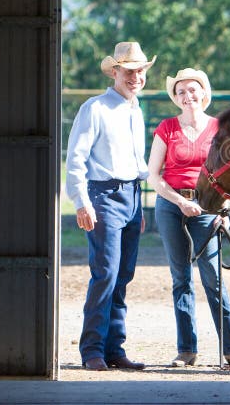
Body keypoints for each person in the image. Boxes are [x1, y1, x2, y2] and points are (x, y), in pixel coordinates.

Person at [147, 67, 230, 368]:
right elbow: (154, 176)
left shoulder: (219, 129)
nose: (187, 96)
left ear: (204, 94)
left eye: (193, 90)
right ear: (175, 98)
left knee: (214, 278)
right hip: (172, 205)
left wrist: (226, 210)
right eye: (181, 92)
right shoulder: (166, 128)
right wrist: (179, 201)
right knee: (181, 279)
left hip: (209, 207)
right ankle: (186, 349)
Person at [65, 41, 156, 371]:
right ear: (115, 72)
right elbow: (76, 157)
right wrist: (81, 202)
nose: (136, 77)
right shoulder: (96, 107)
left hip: (131, 196)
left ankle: (114, 348)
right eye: (129, 71)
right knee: (105, 273)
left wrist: (139, 207)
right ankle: (92, 350)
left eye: (140, 71)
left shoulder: (135, 109)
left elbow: (135, 162)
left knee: (123, 275)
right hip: (103, 196)